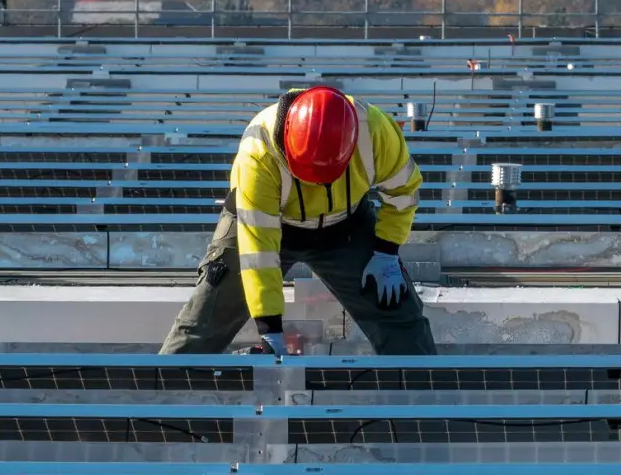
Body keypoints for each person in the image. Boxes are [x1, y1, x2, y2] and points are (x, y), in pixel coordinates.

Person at [159, 85, 438, 356]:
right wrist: (270, 328)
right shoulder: (259, 152)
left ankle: (423, 393)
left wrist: (386, 251)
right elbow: (259, 253)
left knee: (399, 317)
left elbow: (404, 192)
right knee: (205, 319)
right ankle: (163, 391)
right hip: (268, 224)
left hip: (346, 225)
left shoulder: (376, 131)